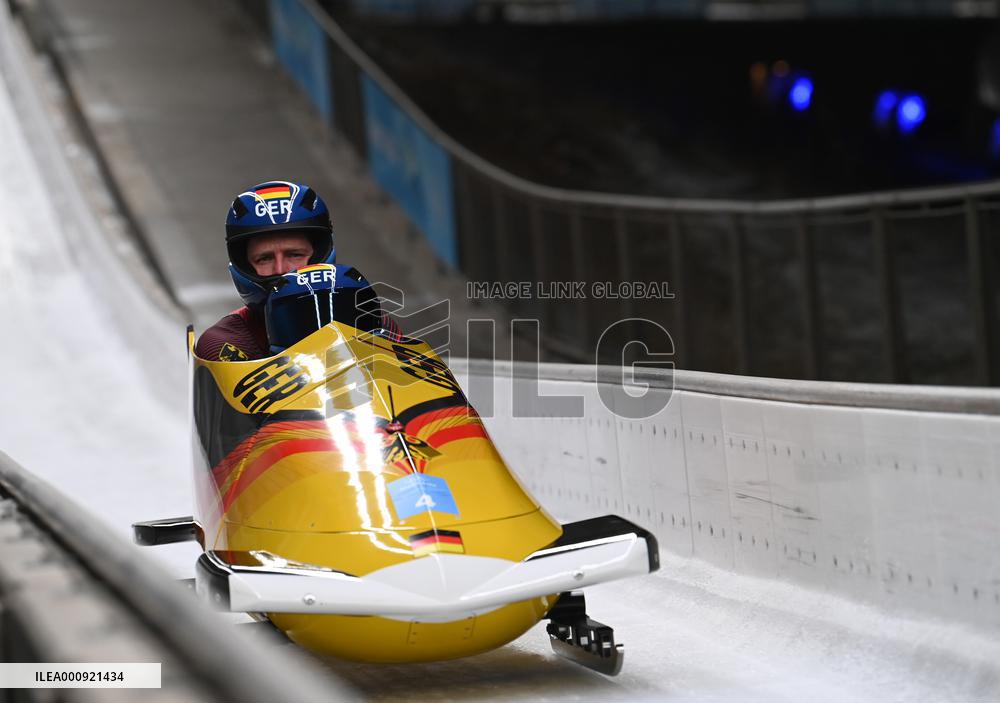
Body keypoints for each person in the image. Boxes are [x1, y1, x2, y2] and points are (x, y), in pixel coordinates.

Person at [195, 180, 399, 361]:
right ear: (245, 265)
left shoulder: (375, 323)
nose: (282, 270)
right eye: (264, 258)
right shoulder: (223, 346)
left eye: (294, 255)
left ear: (319, 255)